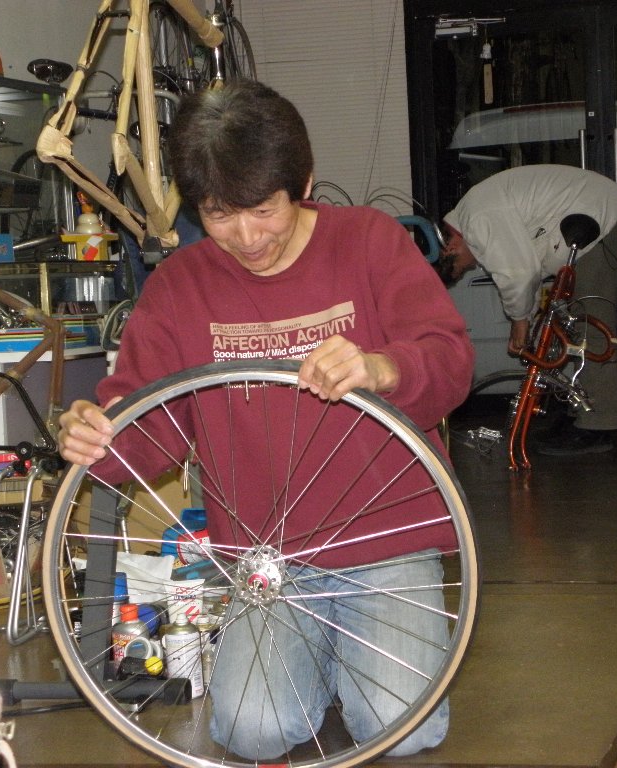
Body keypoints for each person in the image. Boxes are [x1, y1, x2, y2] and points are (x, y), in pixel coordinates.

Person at [57, 81, 474, 759]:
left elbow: (451, 362)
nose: (247, 238)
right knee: (251, 732)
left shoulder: (369, 242)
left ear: (302, 184)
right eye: (219, 215)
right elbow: (146, 426)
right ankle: (330, 663)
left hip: (387, 544)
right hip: (268, 562)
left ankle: (355, 663)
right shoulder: (180, 287)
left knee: (402, 727)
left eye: (262, 210)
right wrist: (96, 434)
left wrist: (380, 367)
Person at [440, 164, 617, 455]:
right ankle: (580, 411)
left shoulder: (478, 221)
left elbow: (518, 274)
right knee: (569, 325)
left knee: (590, 325)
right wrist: (526, 317)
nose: (470, 268)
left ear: (450, 248)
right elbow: (527, 268)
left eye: (461, 268)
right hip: (590, 211)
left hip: (601, 215)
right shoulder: (475, 215)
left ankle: (598, 427)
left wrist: (519, 322)